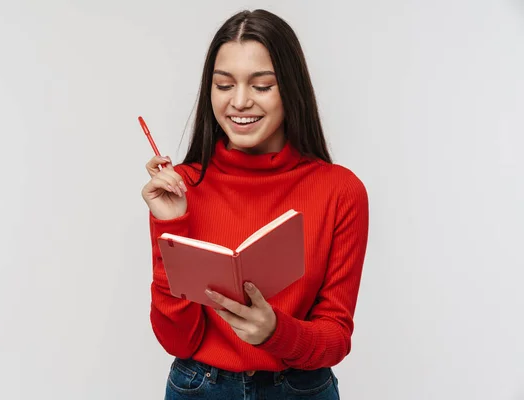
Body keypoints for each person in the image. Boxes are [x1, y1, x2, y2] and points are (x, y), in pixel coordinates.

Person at [141, 8, 369, 400]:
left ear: (291, 90)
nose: (240, 102)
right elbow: (177, 340)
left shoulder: (340, 190)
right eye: (224, 85)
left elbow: (336, 337)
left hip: (301, 388)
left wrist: (276, 332)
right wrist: (170, 226)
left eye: (262, 86)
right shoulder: (180, 186)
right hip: (199, 388)